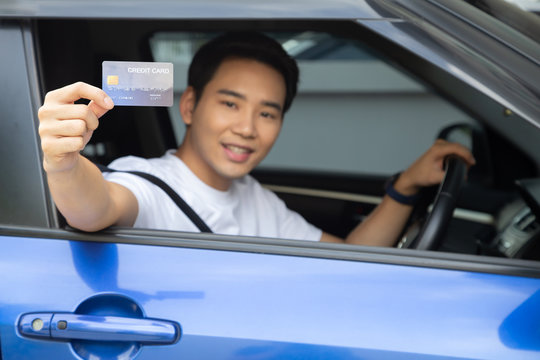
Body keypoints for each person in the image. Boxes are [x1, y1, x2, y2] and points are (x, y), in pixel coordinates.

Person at [38, 32, 475, 246]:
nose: (248, 128)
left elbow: (349, 259)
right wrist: (64, 164)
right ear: (189, 106)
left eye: (267, 112)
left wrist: (404, 189)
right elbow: (95, 209)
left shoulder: (254, 198)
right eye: (230, 104)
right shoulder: (148, 184)